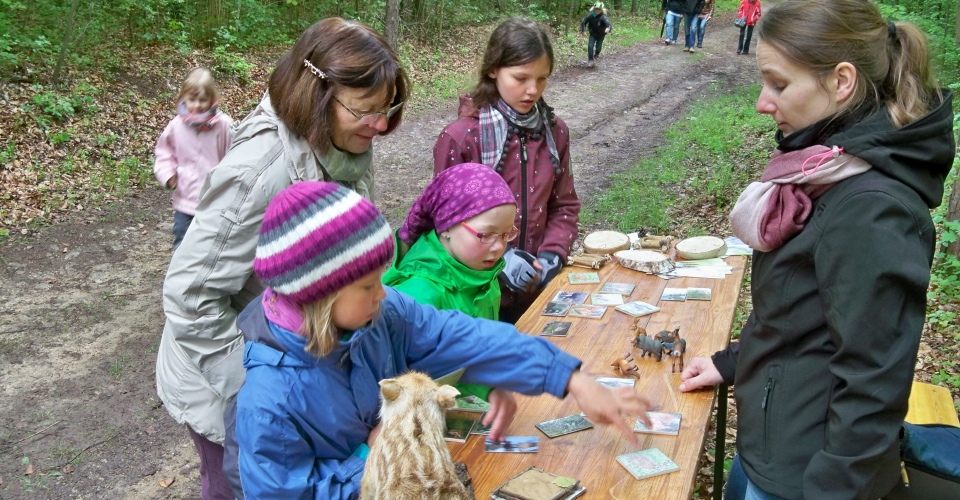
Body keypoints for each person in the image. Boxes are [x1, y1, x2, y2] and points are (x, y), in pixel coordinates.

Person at [678, 1, 955, 499]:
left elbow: (873, 385)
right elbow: (798, 313)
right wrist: (732, 362)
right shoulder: (825, 168)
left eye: (779, 84)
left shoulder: (871, 208)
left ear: (841, 82)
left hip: (807, 476)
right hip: (773, 446)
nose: (764, 102)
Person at [227, 181, 652, 498]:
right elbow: (284, 493)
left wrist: (570, 377)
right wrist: (377, 456)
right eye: (368, 285)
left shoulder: (384, 313)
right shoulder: (269, 400)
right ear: (319, 293)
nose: (385, 290)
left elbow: (468, 337)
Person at [154, 18, 408, 500]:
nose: (380, 125)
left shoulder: (340, 141)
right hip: (230, 378)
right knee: (241, 486)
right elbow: (189, 296)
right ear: (318, 95)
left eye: (387, 108)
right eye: (367, 110)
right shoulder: (259, 174)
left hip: (304, 367)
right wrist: (261, 392)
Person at [433, 17, 580, 324]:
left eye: (542, 79)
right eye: (520, 78)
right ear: (492, 69)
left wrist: (553, 254)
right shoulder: (461, 138)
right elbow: (443, 225)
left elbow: (564, 204)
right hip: (475, 300)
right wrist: (500, 259)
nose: (532, 90)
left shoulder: (555, 133)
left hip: (537, 294)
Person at [382, 163, 519, 432]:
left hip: (474, 420)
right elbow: (394, 388)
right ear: (446, 226)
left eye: (506, 234)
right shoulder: (418, 295)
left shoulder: (482, 275)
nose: (499, 246)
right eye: (486, 234)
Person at [153, 68, 232, 251]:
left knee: (213, 243)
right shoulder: (176, 126)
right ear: (184, 99)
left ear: (212, 99)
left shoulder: (224, 125)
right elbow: (164, 154)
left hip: (215, 199)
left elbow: (235, 154)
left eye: (203, 100)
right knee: (182, 238)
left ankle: (208, 276)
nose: (197, 105)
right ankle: (180, 276)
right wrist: (167, 174)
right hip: (185, 199)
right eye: (192, 100)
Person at [580, 2, 612, 68]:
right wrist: (583, 30)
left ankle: (597, 53)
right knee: (590, 46)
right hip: (593, 34)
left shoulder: (603, 17)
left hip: (601, 35)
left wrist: (608, 28)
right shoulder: (591, 15)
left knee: (598, 48)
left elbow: (608, 24)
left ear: (602, 10)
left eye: (599, 9)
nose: (597, 11)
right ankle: (590, 60)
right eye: (596, 9)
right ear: (594, 9)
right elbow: (583, 21)